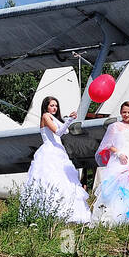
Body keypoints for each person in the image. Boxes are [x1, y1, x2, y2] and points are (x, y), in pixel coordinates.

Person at [19, 96, 91, 224]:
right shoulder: (46, 116)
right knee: (50, 180)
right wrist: (68, 120)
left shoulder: (54, 118)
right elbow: (58, 132)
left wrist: (68, 119)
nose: (54, 108)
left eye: (56, 106)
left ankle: (65, 213)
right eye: (52, 105)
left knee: (64, 182)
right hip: (49, 151)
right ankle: (47, 212)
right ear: (46, 106)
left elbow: (66, 131)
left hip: (58, 151)